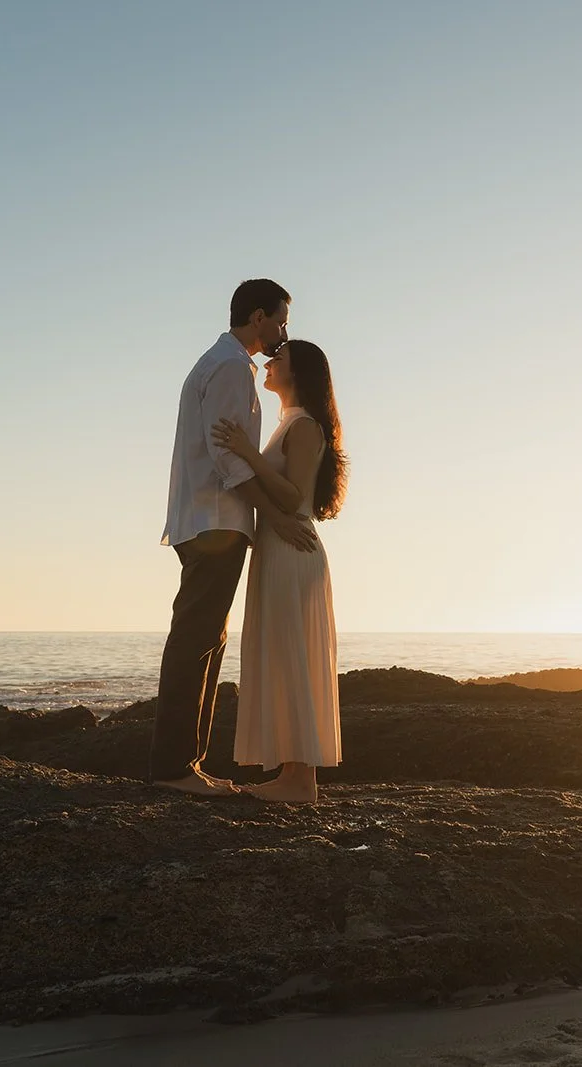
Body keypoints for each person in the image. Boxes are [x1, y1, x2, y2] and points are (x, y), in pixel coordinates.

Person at [152, 279, 317, 797]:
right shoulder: (230, 367)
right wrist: (274, 514)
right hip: (214, 521)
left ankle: (187, 764)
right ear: (260, 316)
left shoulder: (223, 363)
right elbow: (226, 458)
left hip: (208, 520)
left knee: (205, 640)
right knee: (195, 641)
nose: (284, 333)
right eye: (281, 321)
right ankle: (175, 770)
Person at [212, 339, 347, 803]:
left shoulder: (305, 424)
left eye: (280, 359)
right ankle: (293, 776)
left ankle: (300, 781)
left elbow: (294, 497)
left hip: (294, 550)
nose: (269, 362)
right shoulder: (287, 423)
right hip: (278, 546)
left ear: (300, 373)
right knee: (282, 655)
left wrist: (247, 454)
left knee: (294, 656)